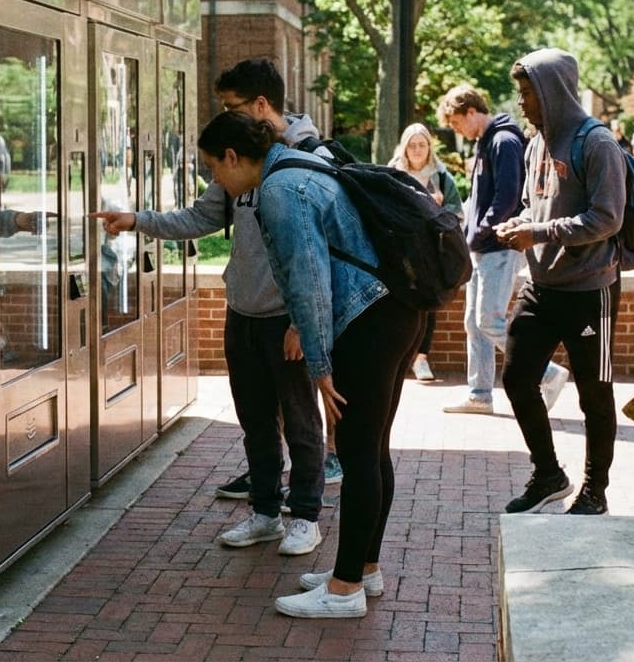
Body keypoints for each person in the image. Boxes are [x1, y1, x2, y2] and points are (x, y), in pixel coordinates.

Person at [90, 58, 334, 558]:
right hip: (242, 313)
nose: (227, 114)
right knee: (256, 422)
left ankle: (306, 515)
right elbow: (201, 216)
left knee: (302, 422)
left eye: (233, 106)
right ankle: (265, 512)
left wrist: (303, 322)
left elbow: (324, 252)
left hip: (286, 322)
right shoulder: (236, 157)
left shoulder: (311, 159)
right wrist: (136, 220)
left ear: (261, 106)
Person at [195, 110, 426, 619]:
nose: (216, 180)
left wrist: (319, 366)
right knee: (374, 449)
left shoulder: (279, 192)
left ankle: (345, 591)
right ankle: (363, 569)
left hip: (368, 323)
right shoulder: (299, 165)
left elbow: (308, 282)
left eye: (214, 167)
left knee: (361, 453)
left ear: (234, 157)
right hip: (395, 314)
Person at [493, 48, 626, 517]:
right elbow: (540, 208)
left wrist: (540, 232)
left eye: (528, 93)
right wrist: (521, 226)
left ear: (553, 93)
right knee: (516, 378)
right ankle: (549, 473)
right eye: (521, 93)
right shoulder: (534, 145)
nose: (522, 103)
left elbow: (607, 219)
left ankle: (595, 491)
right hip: (542, 286)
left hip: (592, 291)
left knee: (595, 394)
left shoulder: (597, 144)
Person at [436, 85, 569, 415]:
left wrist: (481, 232)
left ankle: (548, 374)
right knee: (473, 322)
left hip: (498, 246)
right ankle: (480, 394)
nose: (456, 130)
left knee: (490, 321)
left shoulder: (503, 141)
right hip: (485, 247)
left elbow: (507, 198)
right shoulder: (488, 141)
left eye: (455, 122)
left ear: (471, 111)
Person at [386, 122, 462, 382]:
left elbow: (457, 215)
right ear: (404, 147)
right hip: (399, 251)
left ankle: (421, 359)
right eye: (412, 145)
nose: (417, 150)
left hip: (430, 252)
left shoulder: (441, 176)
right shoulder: (392, 174)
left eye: (422, 144)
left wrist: (439, 208)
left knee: (428, 305)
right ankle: (399, 357)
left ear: (429, 147)